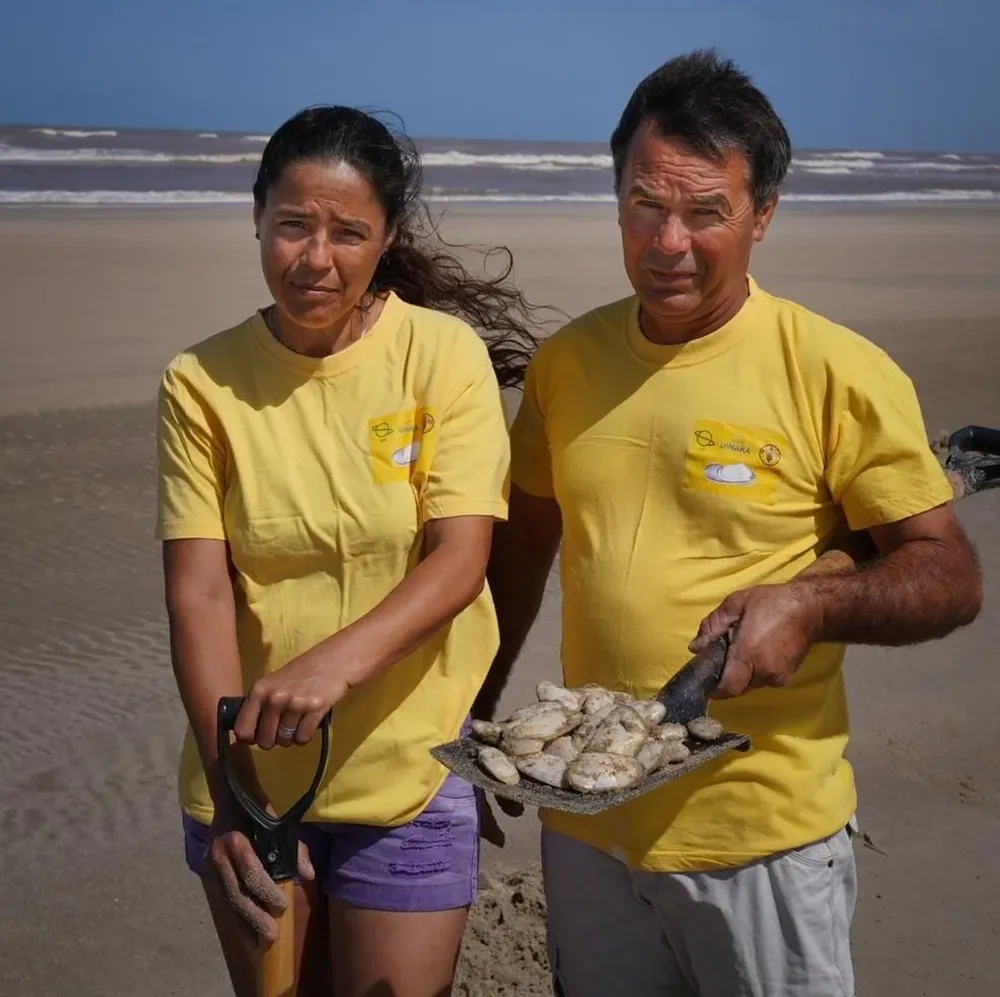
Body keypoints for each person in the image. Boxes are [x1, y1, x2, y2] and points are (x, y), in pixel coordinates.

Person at [479, 50, 984, 997]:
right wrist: (480, 727)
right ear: (616, 198)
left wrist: (810, 606)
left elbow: (947, 572)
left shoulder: (835, 370)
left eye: (705, 211)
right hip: (587, 820)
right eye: (644, 204)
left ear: (763, 214)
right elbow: (521, 554)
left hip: (761, 836)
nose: (668, 241)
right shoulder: (566, 364)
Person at [155, 105, 540, 997]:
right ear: (257, 215)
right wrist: (232, 793)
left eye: (348, 233)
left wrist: (331, 667)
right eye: (293, 224)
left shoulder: (442, 357)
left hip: (410, 769)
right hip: (249, 775)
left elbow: (459, 559)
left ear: (387, 237)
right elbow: (200, 595)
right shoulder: (200, 382)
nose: (314, 258)